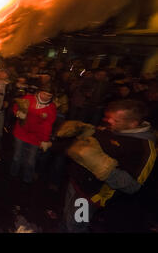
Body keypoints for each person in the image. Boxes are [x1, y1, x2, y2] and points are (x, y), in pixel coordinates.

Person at [60, 99, 156, 232]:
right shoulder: (115, 127)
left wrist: (102, 166)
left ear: (132, 124)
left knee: (75, 226)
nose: (109, 122)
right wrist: (86, 131)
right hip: (76, 182)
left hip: (90, 195)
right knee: (67, 217)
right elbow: (101, 140)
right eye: (109, 118)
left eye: (115, 120)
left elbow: (132, 186)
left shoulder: (144, 148)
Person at [10, 84, 57, 184]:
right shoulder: (28, 98)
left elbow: (48, 125)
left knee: (30, 161)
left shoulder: (51, 108)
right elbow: (16, 106)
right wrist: (18, 113)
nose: (46, 97)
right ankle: (13, 175)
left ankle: (27, 179)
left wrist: (45, 140)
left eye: (49, 95)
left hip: (36, 138)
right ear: (39, 92)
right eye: (44, 93)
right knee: (17, 156)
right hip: (21, 133)